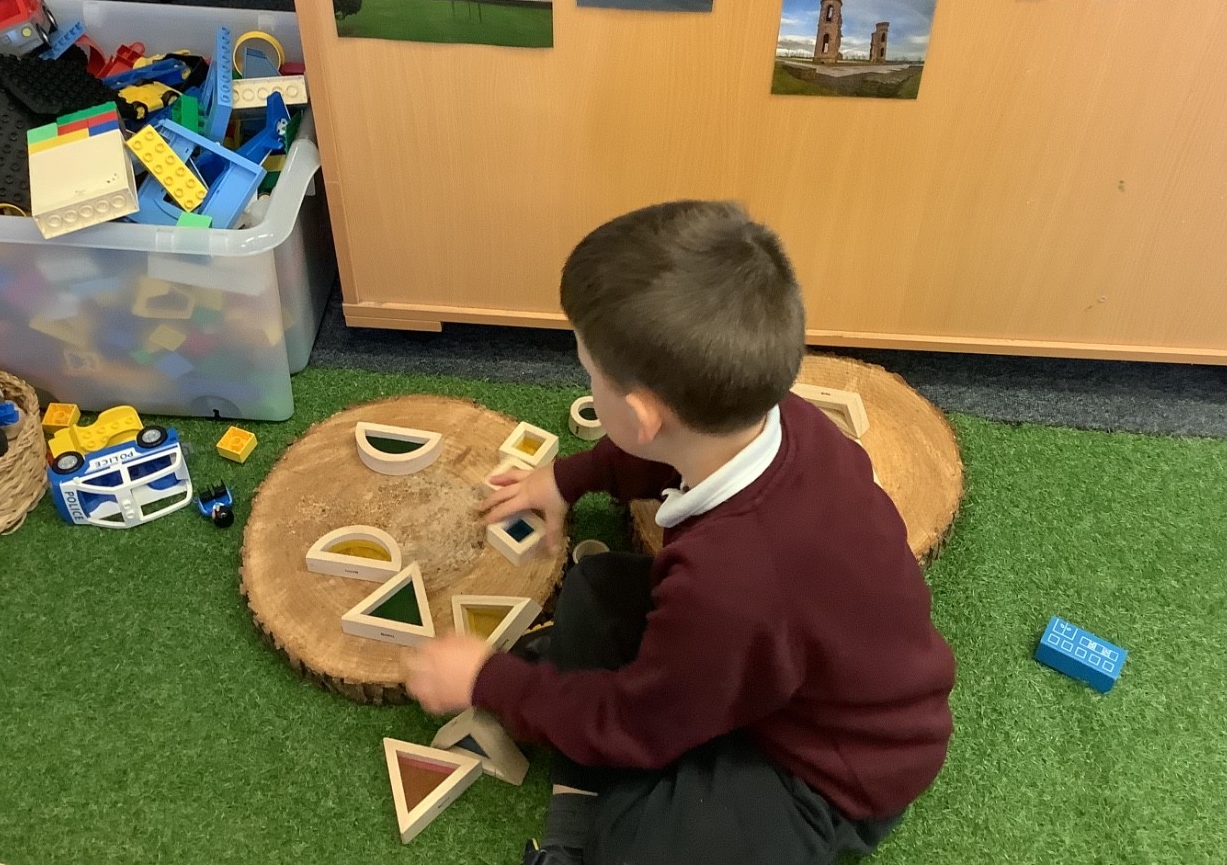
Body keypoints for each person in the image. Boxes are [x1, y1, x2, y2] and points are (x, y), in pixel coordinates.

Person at [407, 201, 956, 865]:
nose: (587, 381)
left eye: (589, 373)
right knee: (596, 590)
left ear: (642, 415)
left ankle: (627, 776)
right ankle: (638, 726)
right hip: (772, 663)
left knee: (638, 844)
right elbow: (665, 454)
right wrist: (568, 478)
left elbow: (637, 725)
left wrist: (486, 681)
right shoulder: (777, 418)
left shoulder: (728, 583)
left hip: (832, 770)